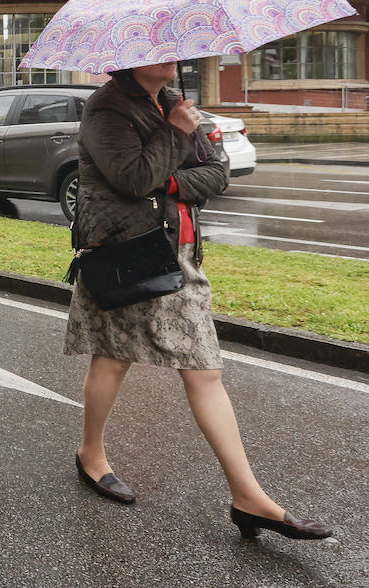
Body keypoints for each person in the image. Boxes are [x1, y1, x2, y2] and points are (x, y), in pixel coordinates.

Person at [66, 62, 332, 540]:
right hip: (129, 251)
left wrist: (172, 177)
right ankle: (92, 454)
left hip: (180, 251)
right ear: (130, 55)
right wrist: (173, 135)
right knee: (113, 360)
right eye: (158, 46)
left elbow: (218, 172)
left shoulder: (172, 101)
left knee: (201, 368)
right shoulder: (106, 108)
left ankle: (246, 495)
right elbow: (130, 178)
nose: (171, 54)